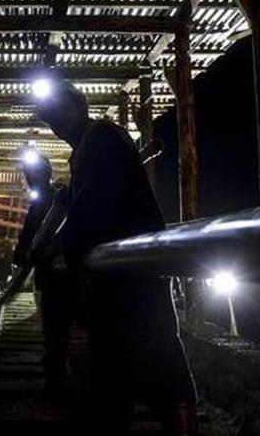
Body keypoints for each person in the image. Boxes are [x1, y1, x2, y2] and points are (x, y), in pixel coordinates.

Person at [34, 80, 198, 435]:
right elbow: (86, 203)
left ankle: (180, 424)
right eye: (51, 120)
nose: (56, 125)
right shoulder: (89, 146)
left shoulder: (102, 139)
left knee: (154, 361)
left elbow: (92, 206)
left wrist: (64, 249)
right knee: (125, 364)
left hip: (134, 271)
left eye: (59, 115)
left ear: (78, 107)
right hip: (118, 275)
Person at [12, 153, 73, 393]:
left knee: (56, 327)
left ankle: (57, 380)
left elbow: (33, 237)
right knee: (57, 328)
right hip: (57, 275)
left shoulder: (54, 200)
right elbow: (28, 238)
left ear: (43, 175)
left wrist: (28, 254)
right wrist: (23, 253)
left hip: (58, 275)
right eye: (28, 176)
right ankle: (59, 375)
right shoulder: (50, 199)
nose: (29, 180)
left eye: (31, 175)